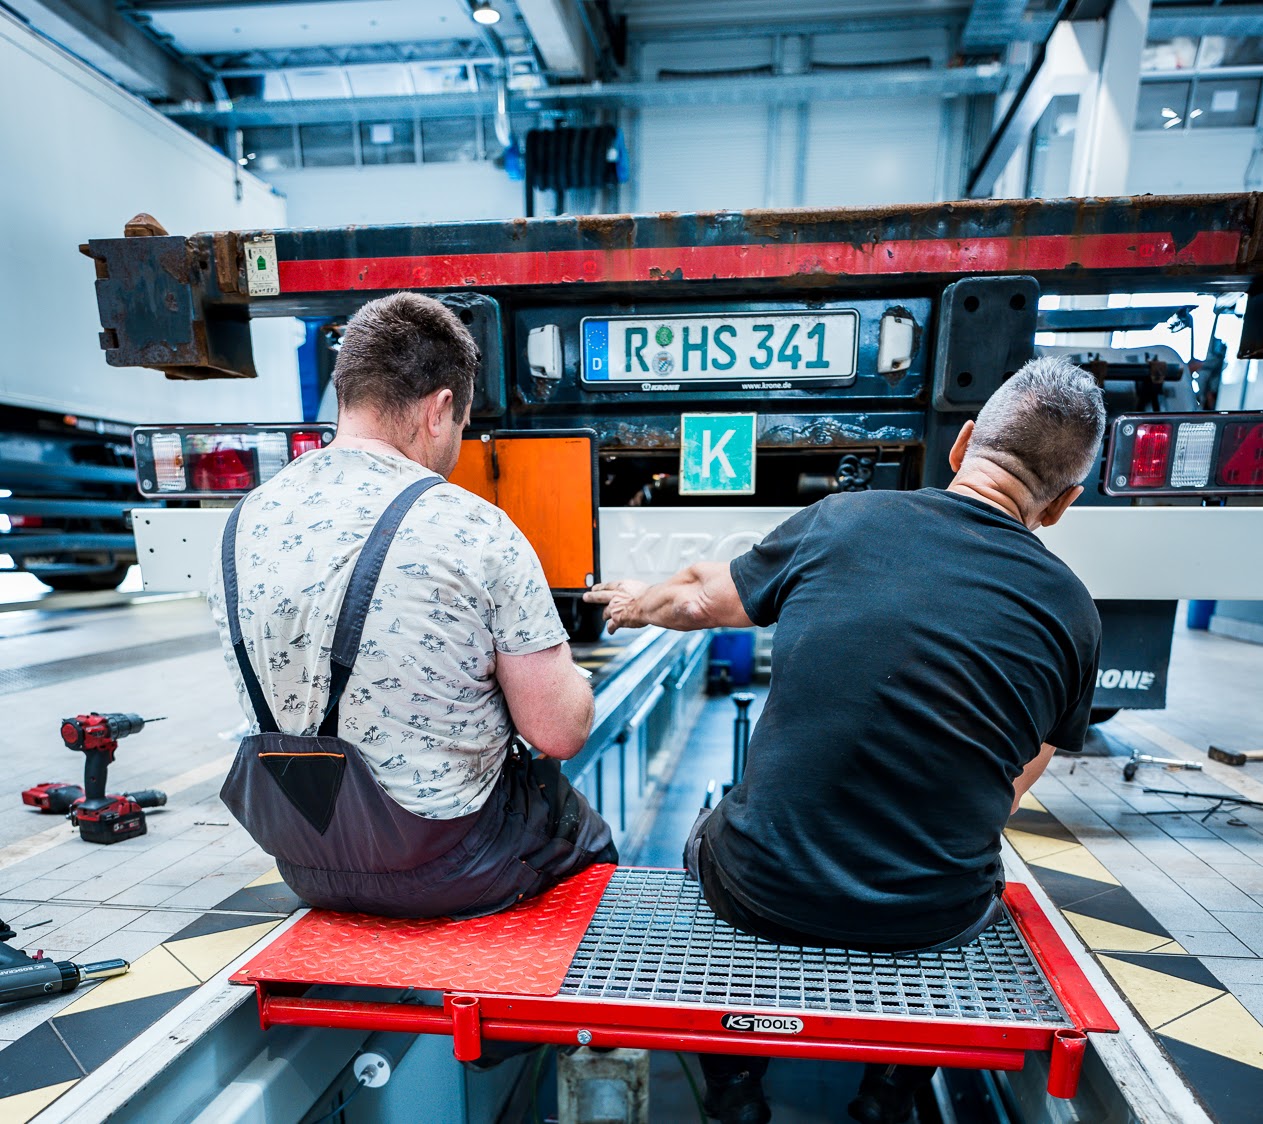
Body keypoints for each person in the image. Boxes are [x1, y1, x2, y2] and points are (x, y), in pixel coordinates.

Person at [584, 355, 1104, 1124]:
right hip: (934, 912)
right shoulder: (1073, 613)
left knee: (708, 834)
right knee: (967, 888)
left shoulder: (842, 519)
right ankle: (886, 1097)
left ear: (961, 445)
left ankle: (733, 1091)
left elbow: (697, 596)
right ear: (1062, 504)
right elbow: (1015, 774)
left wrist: (635, 602)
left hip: (761, 891)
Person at [208, 291, 614, 921]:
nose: (459, 439)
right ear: (440, 408)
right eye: (462, 422)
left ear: (348, 395)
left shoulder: (243, 521)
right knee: (584, 838)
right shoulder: (475, 528)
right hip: (447, 862)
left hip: (303, 861)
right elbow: (559, 732)